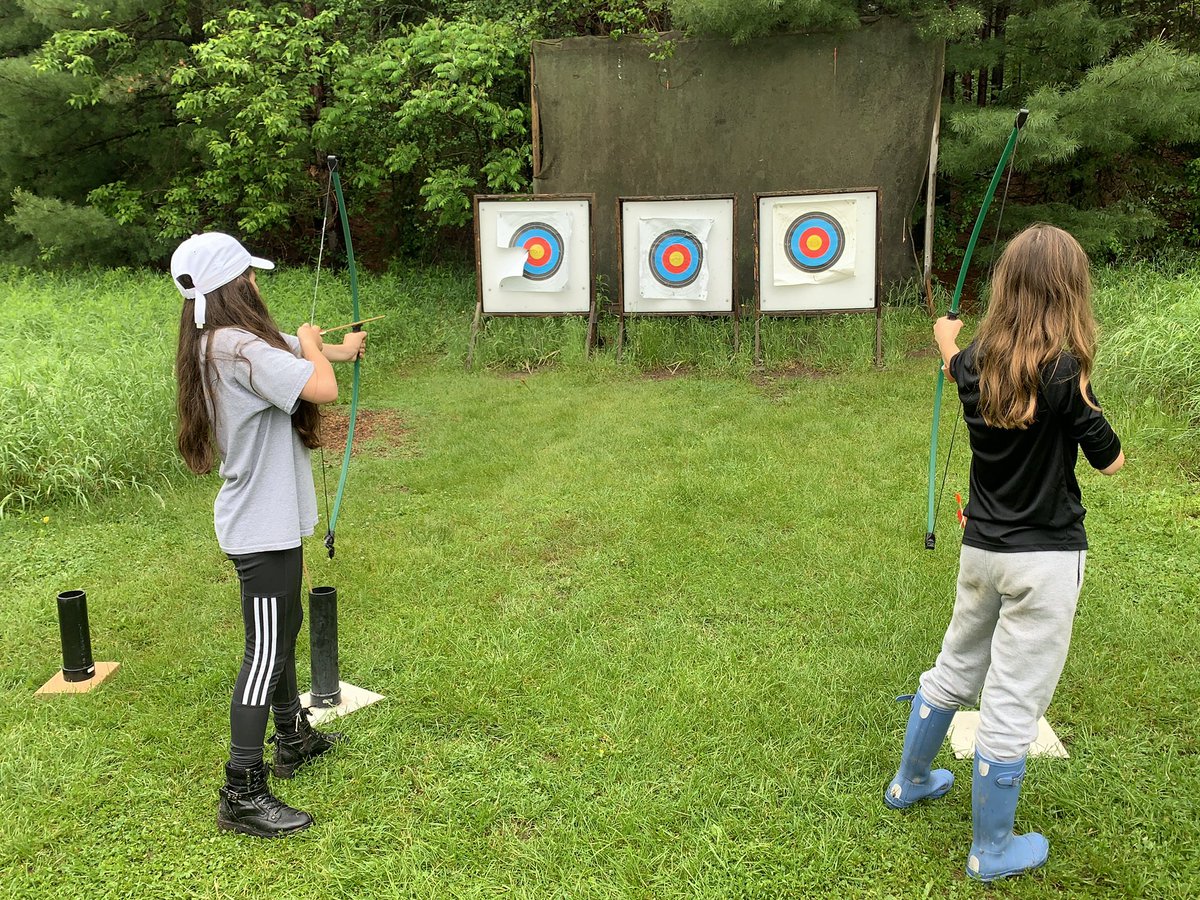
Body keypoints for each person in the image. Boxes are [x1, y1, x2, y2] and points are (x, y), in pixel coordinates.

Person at [884, 224, 1125, 881]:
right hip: (1044, 563)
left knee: (955, 664)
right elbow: (1111, 461)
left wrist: (945, 331)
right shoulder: (1065, 373)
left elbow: (948, 350)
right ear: (1068, 294)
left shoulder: (973, 362)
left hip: (982, 553)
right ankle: (991, 852)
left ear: (1006, 290)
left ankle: (910, 781)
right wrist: (1081, 401)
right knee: (1013, 698)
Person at [171, 232, 367, 838]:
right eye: (251, 276)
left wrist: (333, 347)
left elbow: (303, 357)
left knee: (283, 629)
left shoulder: (224, 342)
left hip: (265, 519)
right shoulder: (236, 349)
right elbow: (318, 385)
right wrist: (314, 346)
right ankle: (242, 790)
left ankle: (292, 735)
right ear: (236, 286)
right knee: (266, 652)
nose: (258, 283)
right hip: (259, 525)